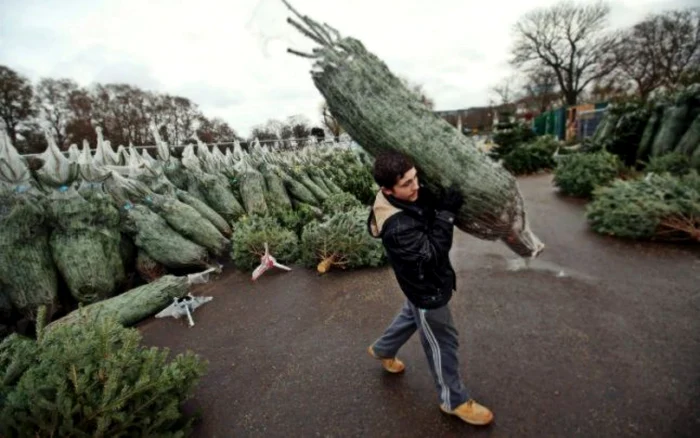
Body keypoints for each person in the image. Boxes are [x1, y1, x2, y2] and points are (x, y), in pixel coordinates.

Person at [366, 150, 493, 426]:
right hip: (427, 290)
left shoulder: (399, 197)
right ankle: (453, 400)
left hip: (418, 285)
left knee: (411, 314)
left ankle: (383, 348)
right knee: (442, 342)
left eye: (416, 178)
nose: (416, 187)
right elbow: (433, 252)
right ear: (388, 190)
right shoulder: (397, 228)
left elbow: (420, 204)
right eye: (407, 184)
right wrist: (446, 214)